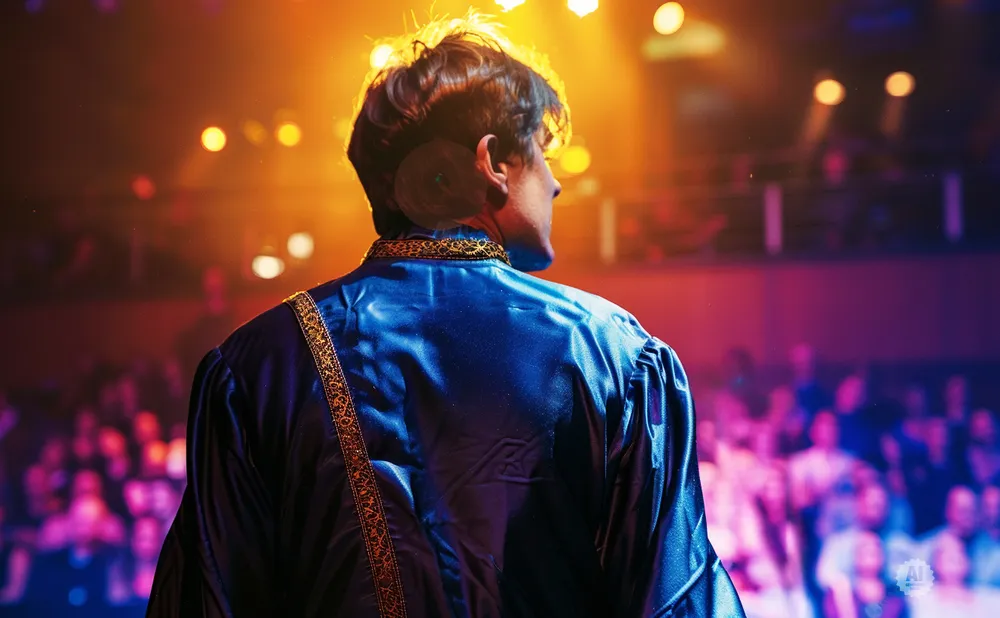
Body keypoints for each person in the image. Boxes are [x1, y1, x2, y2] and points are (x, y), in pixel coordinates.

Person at [146, 12, 743, 618]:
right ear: (491, 162)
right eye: (542, 151)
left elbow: (206, 601)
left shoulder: (257, 368)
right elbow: (677, 599)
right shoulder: (612, 357)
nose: (557, 184)